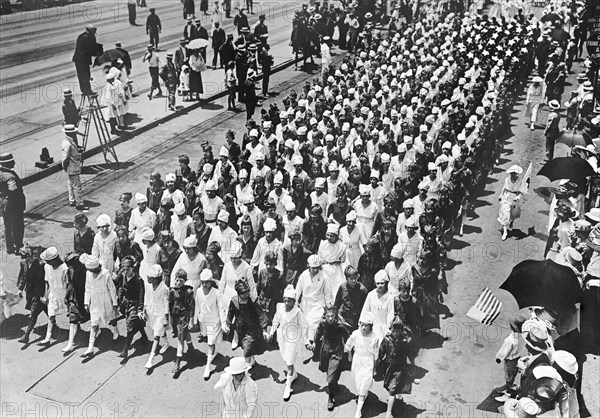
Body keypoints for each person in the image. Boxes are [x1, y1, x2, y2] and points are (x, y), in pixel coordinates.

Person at [268, 284, 310, 400]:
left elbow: (303, 326)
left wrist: (306, 341)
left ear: (294, 301)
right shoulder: (280, 308)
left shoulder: (297, 312)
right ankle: (294, 375)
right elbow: (276, 320)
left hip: (292, 338)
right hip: (282, 336)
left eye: (290, 301)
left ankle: (288, 386)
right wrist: (271, 332)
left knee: (289, 362)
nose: (287, 304)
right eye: (285, 301)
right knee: (286, 358)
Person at [224, 279, 269, 367]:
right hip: (240, 328)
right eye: (244, 293)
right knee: (244, 346)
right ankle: (251, 360)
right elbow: (230, 313)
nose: (246, 294)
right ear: (239, 293)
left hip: (252, 328)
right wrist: (228, 324)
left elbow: (261, 315)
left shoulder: (252, 301)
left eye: (247, 292)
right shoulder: (234, 301)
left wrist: (264, 330)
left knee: (247, 346)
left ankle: (247, 366)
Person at [81, 253, 119, 357]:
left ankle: (115, 330)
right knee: (93, 323)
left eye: (92, 270)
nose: (90, 271)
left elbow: (112, 289)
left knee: (110, 318)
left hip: (105, 299)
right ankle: (90, 347)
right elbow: (87, 288)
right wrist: (86, 302)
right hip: (94, 301)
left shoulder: (105, 273)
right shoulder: (88, 274)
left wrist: (115, 302)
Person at [345, 311, 381, 418]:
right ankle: (363, 395)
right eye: (362, 325)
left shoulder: (375, 337)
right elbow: (349, 344)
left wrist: (374, 368)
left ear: (371, 326)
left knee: (364, 383)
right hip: (357, 360)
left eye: (366, 325)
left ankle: (358, 411)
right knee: (358, 381)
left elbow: (375, 354)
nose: (363, 328)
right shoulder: (356, 334)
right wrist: (349, 355)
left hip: (368, 361)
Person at [377, 318, 413, 418]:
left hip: (400, 367)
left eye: (398, 331)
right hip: (389, 366)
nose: (396, 333)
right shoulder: (387, 339)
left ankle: (389, 412)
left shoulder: (405, 340)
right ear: (391, 329)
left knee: (392, 389)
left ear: (402, 330)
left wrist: (411, 363)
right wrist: (377, 366)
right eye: (394, 330)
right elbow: (381, 353)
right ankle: (398, 396)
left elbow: (410, 353)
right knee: (390, 386)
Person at [115, 256, 148, 360]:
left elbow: (141, 296)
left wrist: (139, 310)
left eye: (127, 269)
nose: (125, 272)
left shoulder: (138, 280)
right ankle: (144, 337)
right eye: (123, 269)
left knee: (130, 324)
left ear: (133, 268)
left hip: (135, 304)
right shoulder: (123, 276)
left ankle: (125, 350)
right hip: (125, 303)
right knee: (135, 323)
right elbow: (116, 282)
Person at [195, 268, 226, 379]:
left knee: (210, 343)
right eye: (202, 282)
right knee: (209, 340)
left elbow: (221, 308)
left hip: (214, 321)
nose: (204, 284)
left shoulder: (216, 293)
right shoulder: (198, 291)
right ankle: (213, 354)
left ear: (211, 281)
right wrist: (195, 319)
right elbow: (197, 305)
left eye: (207, 282)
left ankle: (207, 367)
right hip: (204, 320)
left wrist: (223, 323)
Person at [36, 247, 69, 347]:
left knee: (71, 315)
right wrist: (46, 295)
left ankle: (77, 332)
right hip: (53, 294)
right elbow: (47, 282)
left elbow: (68, 284)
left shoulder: (65, 268)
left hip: (64, 294)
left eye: (48, 261)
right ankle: (47, 338)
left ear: (54, 259)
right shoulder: (47, 267)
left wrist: (67, 297)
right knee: (51, 316)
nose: (46, 262)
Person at [17, 245, 46, 344]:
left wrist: (44, 294)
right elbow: (22, 276)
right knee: (43, 308)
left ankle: (26, 335)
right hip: (29, 291)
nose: (28, 258)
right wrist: (20, 289)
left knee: (33, 313)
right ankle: (52, 320)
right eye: (25, 257)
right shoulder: (23, 263)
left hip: (38, 292)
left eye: (29, 256)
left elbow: (45, 281)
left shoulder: (40, 264)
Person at [143, 264, 170, 369]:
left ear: (156, 279)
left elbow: (166, 303)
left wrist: (166, 317)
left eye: (150, 278)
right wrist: (144, 311)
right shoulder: (148, 285)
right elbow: (146, 297)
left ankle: (151, 359)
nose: (148, 279)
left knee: (156, 336)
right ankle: (166, 343)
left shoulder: (164, 288)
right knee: (158, 330)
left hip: (160, 314)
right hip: (151, 312)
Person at [0, 153, 26, 255]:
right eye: (11, 161)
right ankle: (18, 245)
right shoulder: (10, 176)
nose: (14, 163)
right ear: (7, 163)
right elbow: (13, 190)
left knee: (8, 225)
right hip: (14, 203)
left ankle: (9, 247)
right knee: (18, 224)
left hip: (4, 201)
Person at [361, 270, 394, 339]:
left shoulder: (389, 297)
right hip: (371, 328)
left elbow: (390, 314)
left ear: (386, 283)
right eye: (378, 283)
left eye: (382, 283)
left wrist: (389, 329)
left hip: (384, 329)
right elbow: (365, 311)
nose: (380, 286)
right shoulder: (371, 295)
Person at [335, 265, 368, 333]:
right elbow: (336, 305)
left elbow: (366, 308)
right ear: (347, 279)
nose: (353, 281)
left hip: (357, 321)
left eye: (355, 278)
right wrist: (339, 317)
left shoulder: (362, 290)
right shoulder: (342, 287)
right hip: (344, 320)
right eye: (351, 278)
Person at [72, 25, 102, 96]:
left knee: (82, 75)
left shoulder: (81, 36)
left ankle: (85, 90)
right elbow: (91, 49)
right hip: (83, 60)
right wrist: (98, 53)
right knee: (85, 75)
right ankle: (87, 91)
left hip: (79, 59)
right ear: (91, 32)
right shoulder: (88, 37)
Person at [61, 124, 85, 210]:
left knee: (70, 184)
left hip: (71, 166)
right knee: (77, 185)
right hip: (72, 167)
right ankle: (79, 203)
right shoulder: (68, 143)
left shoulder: (69, 141)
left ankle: (72, 200)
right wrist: (64, 166)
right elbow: (65, 158)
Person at [498, 165, 524, 241]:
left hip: (515, 197)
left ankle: (511, 222)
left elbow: (521, 192)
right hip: (506, 197)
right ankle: (505, 232)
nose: (512, 175)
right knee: (505, 213)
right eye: (511, 173)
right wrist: (500, 195)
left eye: (514, 173)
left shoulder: (520, 181)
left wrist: (517, 197)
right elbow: (504, 188)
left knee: (513, 214)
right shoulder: (507, 179)